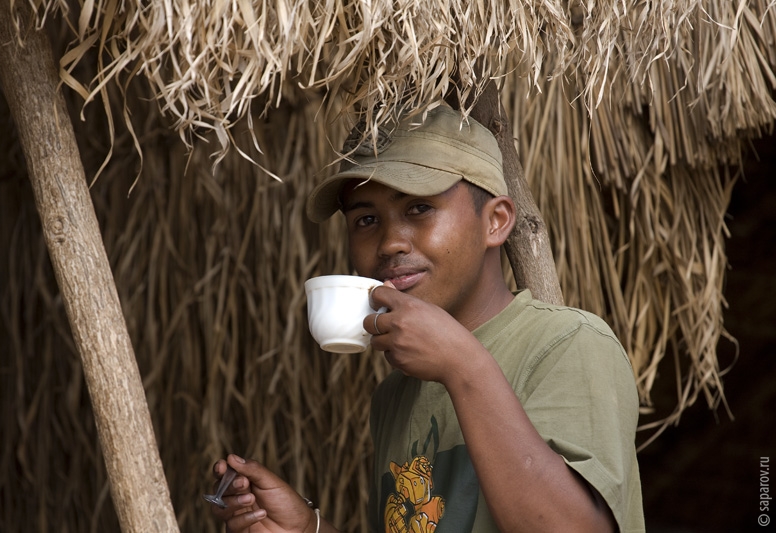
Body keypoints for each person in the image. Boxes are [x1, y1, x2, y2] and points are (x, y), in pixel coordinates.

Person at [209, 104, 645, 532]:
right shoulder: (396, 395)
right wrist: (310, 530)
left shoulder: (568, 343)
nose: (389, 243)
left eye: (419, 208)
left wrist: (462, 366)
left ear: (495, 221)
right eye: (365, 219)